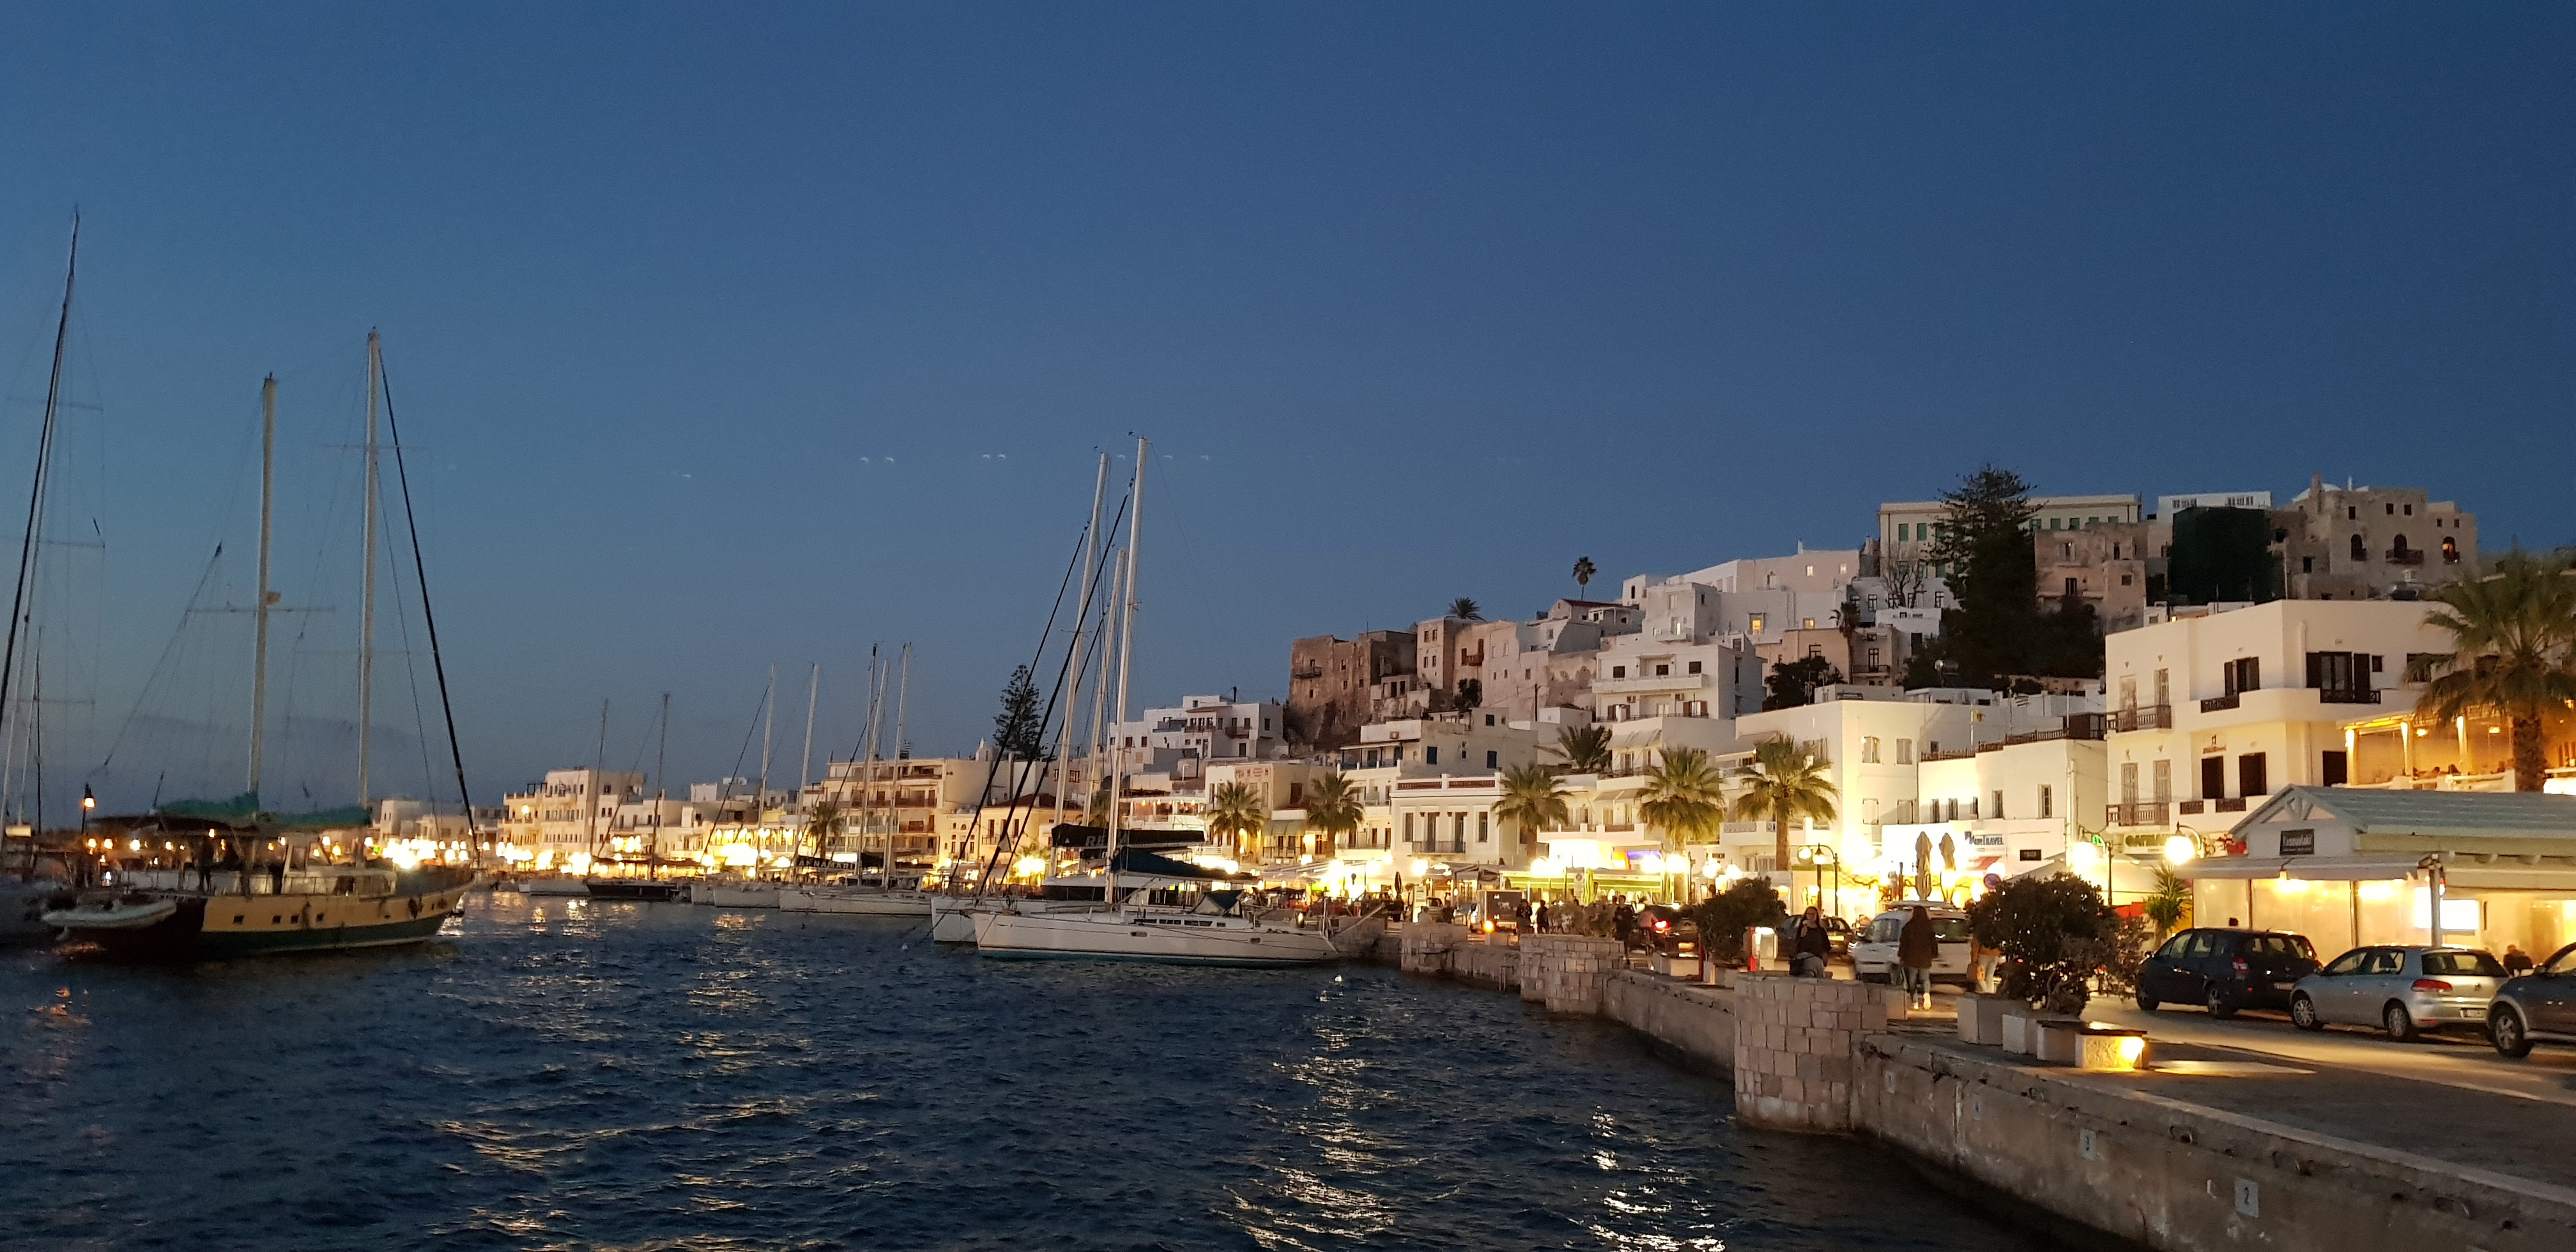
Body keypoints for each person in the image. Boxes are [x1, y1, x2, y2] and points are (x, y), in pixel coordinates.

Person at [1897, 904, 1937, 1010]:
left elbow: (1904, 942)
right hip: (1925, 956)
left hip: (1911, 957)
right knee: (1925, 978)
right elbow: (1933, 941)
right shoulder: (1929, 925)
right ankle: (1927, 994)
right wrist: (1934, 953)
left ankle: (1915, 1002)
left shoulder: (1909, 926)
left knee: (1912, 981)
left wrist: (1901, 955)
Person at [1791, 905, 1832, 978]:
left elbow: (1826, 946)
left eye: (1813, 914)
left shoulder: (1820, 931)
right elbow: (1798, 943)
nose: (1810, 916)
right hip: (1804, 959)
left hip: (1817, 959)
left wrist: (1825, 958)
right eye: (1808, 914)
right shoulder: (1802, 929)